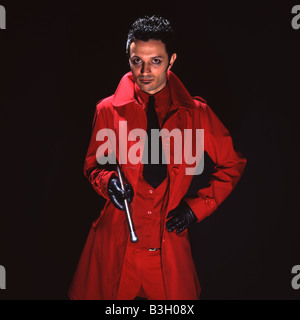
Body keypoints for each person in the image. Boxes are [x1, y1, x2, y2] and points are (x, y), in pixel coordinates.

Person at [69, 15, 246, 300]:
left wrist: (195, 208)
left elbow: (232, 164)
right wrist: (108, 182)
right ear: (128, 58)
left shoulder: (197, 114)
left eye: (156, 61)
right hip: (114, 248)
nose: (145, 71)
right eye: (137, 60)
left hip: (167, 253)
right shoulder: (107, 110)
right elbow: (93, 166)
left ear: (172, 60)